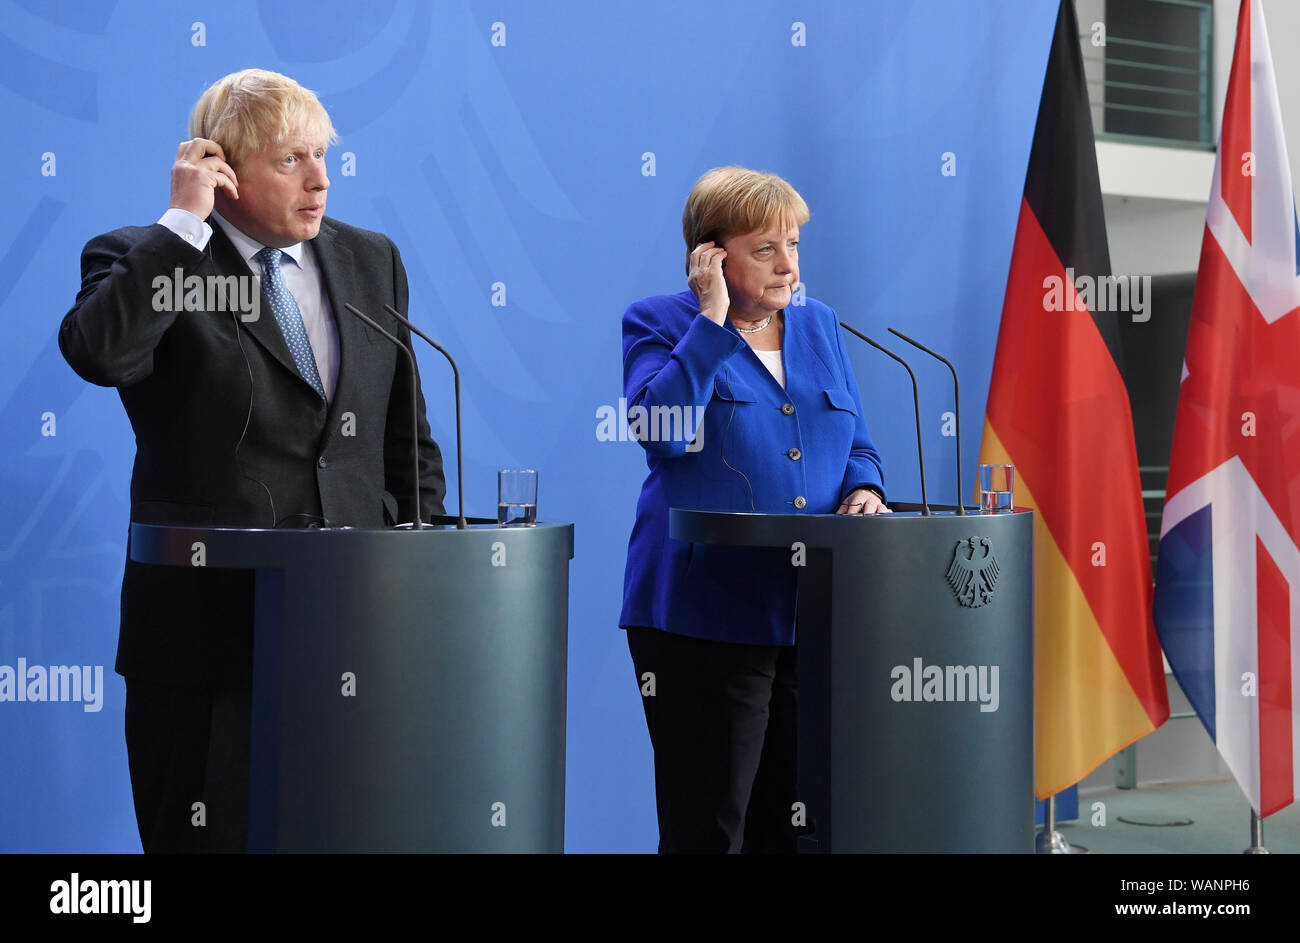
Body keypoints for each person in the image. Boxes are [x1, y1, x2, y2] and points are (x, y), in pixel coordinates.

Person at [58, 69, 446, 852]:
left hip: (355, 635)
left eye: (322, 155)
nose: (320, 179)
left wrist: (427, 578)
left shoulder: (372, 260)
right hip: (210, 643)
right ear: (220, 168)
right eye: (290, 160)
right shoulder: (146, 258)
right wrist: (180, 224)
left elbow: (406, 441)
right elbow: (99, 352)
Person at [620, 166, 888, 853]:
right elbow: (664, 433)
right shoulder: (660, 321)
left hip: (810, 612)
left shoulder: (819, 323)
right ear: (709, 255)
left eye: (793, 244)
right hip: (702, 613)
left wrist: (867, 487)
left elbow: (856, 439)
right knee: (710, 827)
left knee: (797, 826)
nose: (788, 264)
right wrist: (710, 321)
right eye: (766, 247)